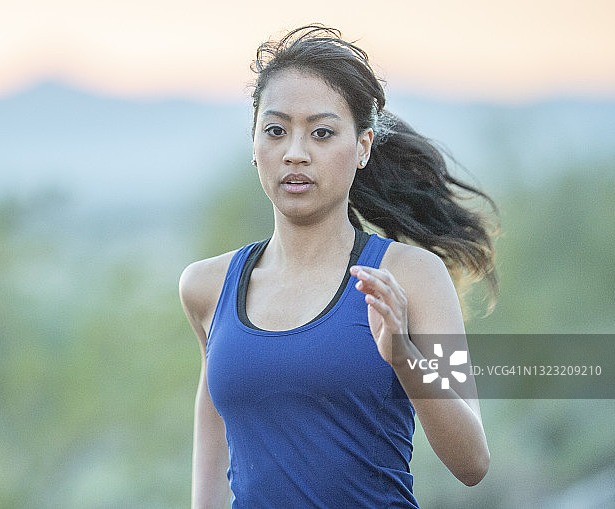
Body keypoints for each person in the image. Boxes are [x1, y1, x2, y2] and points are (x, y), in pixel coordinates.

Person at [179, 24, 498, 508]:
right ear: (254, 145)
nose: (295, 153)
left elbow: (472, 462)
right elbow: (214, 446)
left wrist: (402, 355)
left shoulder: (414, 276)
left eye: (322, 133)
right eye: (276, 130)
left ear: (363, 146)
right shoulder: (207, 286)